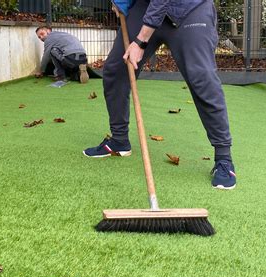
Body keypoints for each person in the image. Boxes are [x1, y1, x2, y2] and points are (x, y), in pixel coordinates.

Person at [83, 0, 237, 190]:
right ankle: (119, 140)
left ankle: (223, 158)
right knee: (117, 71)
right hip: (145, 6)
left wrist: (140, 40)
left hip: (189, 9)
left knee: (202, 78)